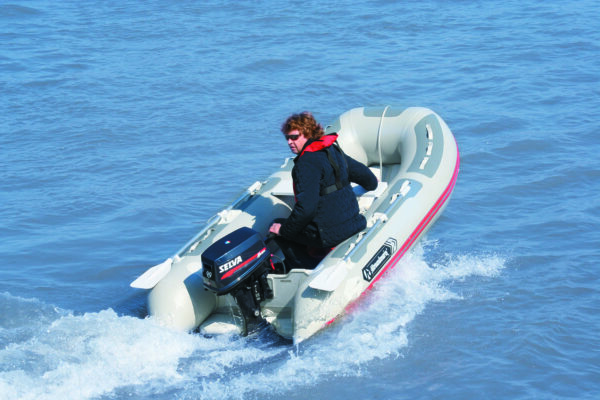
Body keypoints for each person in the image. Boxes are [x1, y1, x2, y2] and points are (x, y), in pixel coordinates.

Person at [268, 112, 378, 269]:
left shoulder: (305, 164)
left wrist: (283, 231)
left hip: (328, 235)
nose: (290, 142)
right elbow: (369, 180)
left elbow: (306, 210)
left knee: (277, 225)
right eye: (287, 138)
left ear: (308, 133)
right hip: (354, 223)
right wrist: (371, 184)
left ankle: (306, 267)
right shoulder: (332, 150)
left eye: (294, 137)